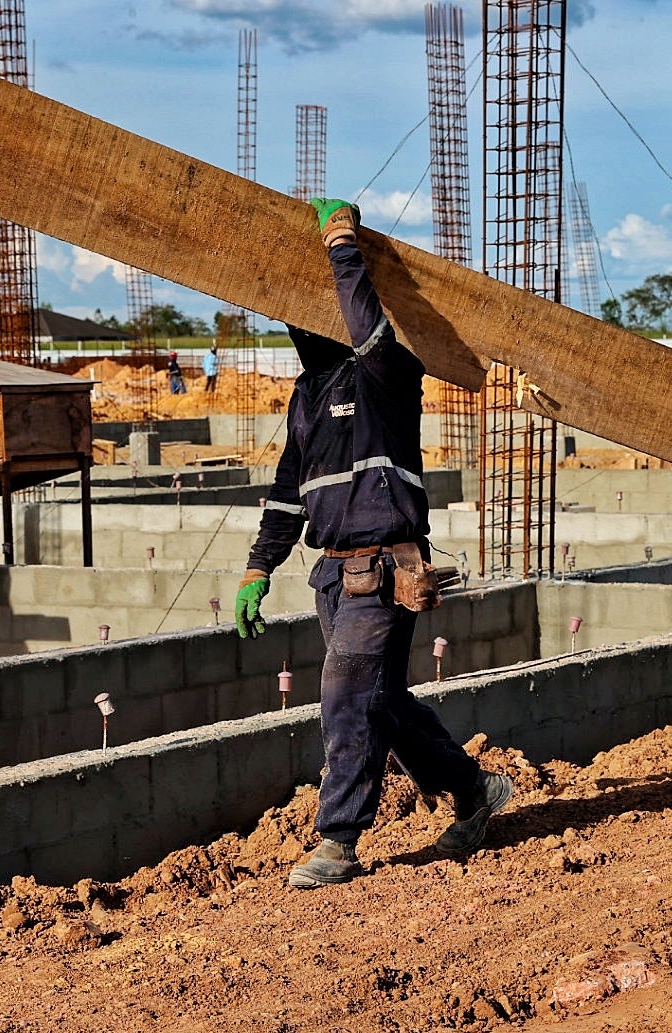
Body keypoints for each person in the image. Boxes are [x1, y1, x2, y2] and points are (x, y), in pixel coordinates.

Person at [236, 198, 512, 889]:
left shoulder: (387, 374)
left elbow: (366, 327)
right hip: (334, 576)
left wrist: (341, 246)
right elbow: (284, 492)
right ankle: (475, 789)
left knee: (346, 692)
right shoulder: (307, 395)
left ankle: (338, 839)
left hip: (388, 569)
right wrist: (256, 569)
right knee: (383, 703)